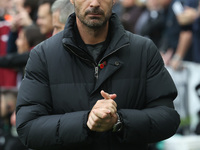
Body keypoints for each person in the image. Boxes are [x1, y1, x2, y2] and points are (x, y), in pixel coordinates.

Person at [16, 0, 180, 149]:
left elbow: (167, 118)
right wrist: (85, 121)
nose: (94, 3)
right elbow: (28, 128)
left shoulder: (143, 51)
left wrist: (119, 120)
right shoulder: (43, 55)